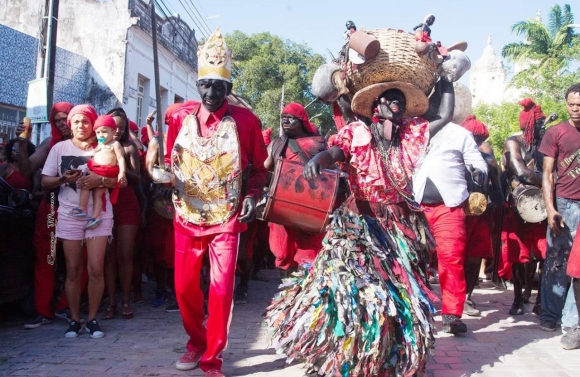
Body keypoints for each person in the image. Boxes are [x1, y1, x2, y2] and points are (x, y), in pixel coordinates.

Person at [265, 77, 454, 376]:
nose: (396, 102)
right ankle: (337, 356)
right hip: (359, 224)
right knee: (352, 292)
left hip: (399, 227)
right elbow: (336, 153)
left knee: (399, 293)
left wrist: (446, 77)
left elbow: (444, 115)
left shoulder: (410, 134)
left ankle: (391, 357)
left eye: (400, 100)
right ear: (376, 104)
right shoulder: (358, 133)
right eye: (389, 97)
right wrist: (319, 159)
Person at [164, 29, 268, 377]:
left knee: (221, 289)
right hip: (187, 215)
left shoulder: (247, 121)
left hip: (227, 216)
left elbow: (258, 169)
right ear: (198, 84)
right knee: (183, 287)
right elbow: (171, 162)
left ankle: (212, 357)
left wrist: (253, 196)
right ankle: (195, 341)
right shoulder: (179, 118)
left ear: (229, 87)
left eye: (218, 86)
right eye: (205, 84)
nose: (211, 93)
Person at [41, 104, 119, 338]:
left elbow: (120, 182)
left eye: (85, 121)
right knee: (73, 270)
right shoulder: (59, 148)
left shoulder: (104, 146)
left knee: (95, 269)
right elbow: (45, 182)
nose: (80, 126)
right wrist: (63, 179)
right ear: (69, 125)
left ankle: (93, 318)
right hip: (68, 214)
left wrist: (100, 181)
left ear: (93, 124)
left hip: (99, 215)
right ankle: (74, 319)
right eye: (76, 122)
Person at [21, 102, 75, 329]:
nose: (62, 124)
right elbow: (26, 170)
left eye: (66, 119)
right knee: (47, 257)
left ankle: (65, 305)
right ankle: (44, 310)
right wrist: (23, 143)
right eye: (57, 120)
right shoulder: (49, 144)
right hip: (52, 205)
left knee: (79, 260)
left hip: (77, 210)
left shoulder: (88, 143)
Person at [264, 102, 327, 275]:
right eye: (283, 118)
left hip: (309, 210)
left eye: (291, 118)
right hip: (281, 210)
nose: (285, 121)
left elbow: (330, 173)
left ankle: (303, 294)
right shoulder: (276, 144)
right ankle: (287, 294)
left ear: (302, 121)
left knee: (308, 255)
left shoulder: (318, 143)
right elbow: (263, 169)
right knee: (283, 254)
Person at [502, 98, 551, 316]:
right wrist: (550, 180)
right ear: (529, 124)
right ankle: (519, 297)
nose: (543, 127)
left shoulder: (547, 144)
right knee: (518, 255)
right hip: (518, 206)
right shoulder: (514, 143)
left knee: (543, 254)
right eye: (539, 124)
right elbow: (520, 172)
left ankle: (540, 299)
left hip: (543, 206)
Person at [539, 83, 580, 332]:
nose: (576, 109)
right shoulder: (556, 132)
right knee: (556, 261)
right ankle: (550, 313)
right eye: (572, 104)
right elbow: (547, 174)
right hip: (564, 204)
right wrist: (551, 209)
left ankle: (571, 320)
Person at [459, 115, 503, 316]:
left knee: (475, 258)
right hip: (458, 212)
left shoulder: (488, 161)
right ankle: (454, 297)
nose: (475, 142)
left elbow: (499, 191)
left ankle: (467, 296)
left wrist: (495, 206)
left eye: (478, 139)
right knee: (456, 256)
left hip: (482, 215)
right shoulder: (454, 158)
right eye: (471, 137)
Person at [102, 108, 142, 320]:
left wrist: (121, 168)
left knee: (125, 255)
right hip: (104, 203)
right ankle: (111, 302)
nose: (117, 130)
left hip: (126, 203)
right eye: (114, 126)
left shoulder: (129, 147)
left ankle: (126, 300)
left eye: (122, 127)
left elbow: (138, 179)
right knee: (108, 257)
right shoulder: (98, 149)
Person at [69, 115, 126, 229]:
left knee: (98, 194)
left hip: (105, 172)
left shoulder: (115, 144)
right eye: (98, 132)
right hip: (94, 168)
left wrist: (122, 172)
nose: (101, 135)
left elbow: (120, 158)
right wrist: (87, 143)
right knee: (86, 186)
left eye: (104, 132)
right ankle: (83, 208)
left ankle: (95, 216)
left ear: (113, 131)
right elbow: (93, 140)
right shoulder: (100, 142)